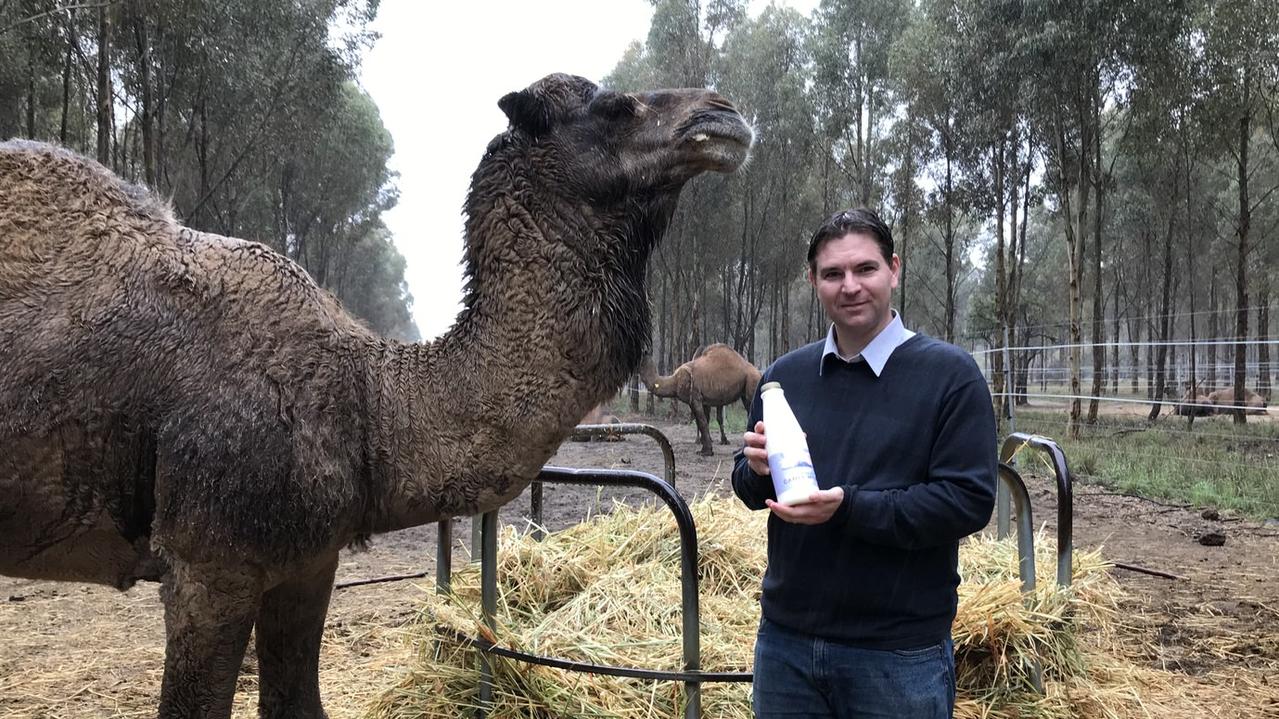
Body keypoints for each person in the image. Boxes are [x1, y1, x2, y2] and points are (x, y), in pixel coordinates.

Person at [731, 207, 997, 718]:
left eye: (865, 269)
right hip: (786, 646)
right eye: (832, 274)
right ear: (813, 281)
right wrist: (755, 470)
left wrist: (849, 509)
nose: (849, 286)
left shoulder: (950, 377)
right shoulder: (785, 378)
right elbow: (747, 487)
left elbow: (967, 502)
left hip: (898, 654)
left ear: (893, 269)